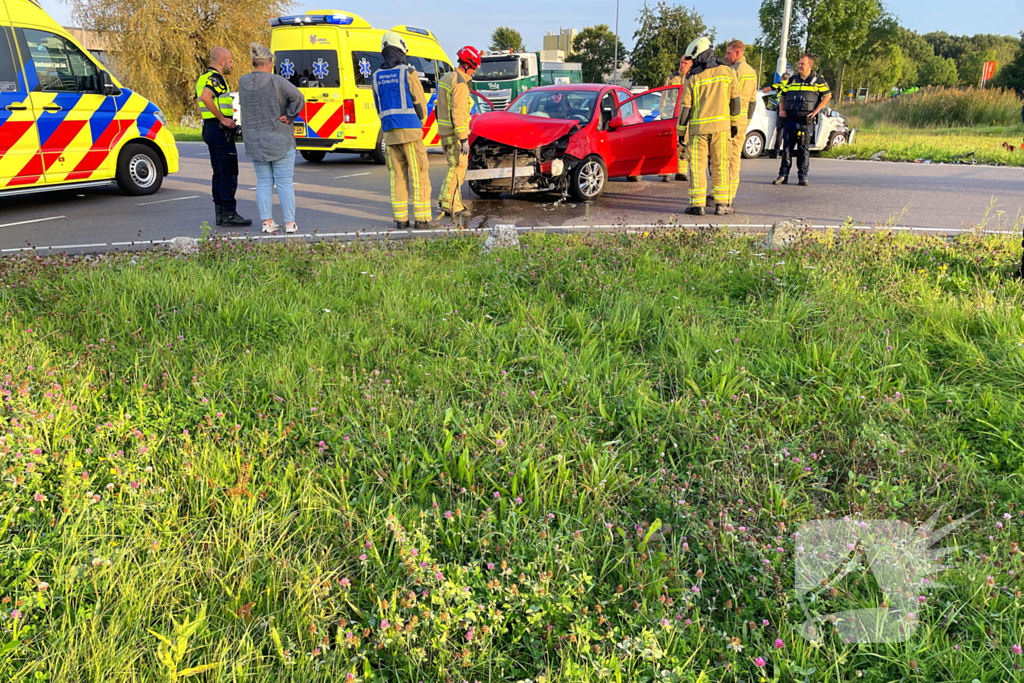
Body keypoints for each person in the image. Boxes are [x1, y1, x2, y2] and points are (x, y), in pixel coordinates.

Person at [238, 43, 305, 234]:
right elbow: (298, 97)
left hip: (255, 141)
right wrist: (290, 115)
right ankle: (290, 223)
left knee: (263, 182)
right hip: (279, 138)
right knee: (284, 182)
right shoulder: (277, 81)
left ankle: (267, 222)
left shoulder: (243, 81)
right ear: (268, 62)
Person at [371, 31, 431, 230]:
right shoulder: (407, 72)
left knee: (397, 176)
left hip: (389, 133)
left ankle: (401, 220)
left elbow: (378, 106)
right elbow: (420, 104)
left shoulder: (376, 76)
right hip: (410, 132)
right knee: (419, 175)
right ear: (401, 50)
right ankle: (421, 220)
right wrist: (419, 119)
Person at [676, 36, 741, 216]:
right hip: (721, 129)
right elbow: (736, 101)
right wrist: (734, 123)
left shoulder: (693, 77)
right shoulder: (727, 72)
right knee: (721, 165)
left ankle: (697, 205)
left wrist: (681, 132)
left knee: (696, 167)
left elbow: (685, 108)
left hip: (698, 131)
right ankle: (722, 205)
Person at [196, 47, 251, 227]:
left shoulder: (203, 77)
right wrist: (223, 119)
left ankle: (220, 214)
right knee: (228, 173)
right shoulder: (216, 79)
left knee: (218, 173)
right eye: (231, 61)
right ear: (222, 61)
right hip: (220, 131)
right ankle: (229, 213)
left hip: (210, 129)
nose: (232, 65)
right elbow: (206, 97)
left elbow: (201, 102)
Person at [437, 46, 481, 223]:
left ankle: (450, 201)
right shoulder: (460, 83)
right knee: (459, 169)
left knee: (452, 168)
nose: (475, 70)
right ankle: (450, 204)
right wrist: (463, 137)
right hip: (455, 135)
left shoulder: (446, 78)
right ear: (467, 64)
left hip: (445, 133)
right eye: (474, 67)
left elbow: (438, 108)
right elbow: (459, 112)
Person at [773, 55, 831, 187]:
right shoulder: (792, 80)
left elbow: (827, 96)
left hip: (806, 121)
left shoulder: (817, 80)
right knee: (786, 149)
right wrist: (782, 110)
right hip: (790, 120)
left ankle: (803, 176)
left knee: (803, 150)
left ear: (810, 65)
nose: (799, 66)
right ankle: (783, 175)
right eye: (799, 64)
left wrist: (816, 111)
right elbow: (782, 96)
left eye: (802, 64)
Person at [724, 40, 759, 211]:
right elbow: (753, 102)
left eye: (729, 53)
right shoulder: (752, 72)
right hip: (743, 120)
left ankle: (725, 195)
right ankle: (729, 194)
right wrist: (747, 120)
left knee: (726, 159)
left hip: (730, 119)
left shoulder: (732, 71)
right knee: (735, 157)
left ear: (738, 53)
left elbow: (728, 98)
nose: (726, 56)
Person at [661, 56, 692, 182]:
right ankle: (667, 171)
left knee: (684, 145)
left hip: (686, 116)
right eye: (681, 62)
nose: (682, 65)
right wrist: (663, 113)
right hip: (672, 115)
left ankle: (681, 171)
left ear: (691, 64)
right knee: (670, 144)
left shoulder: (692, 78)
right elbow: (664, 97)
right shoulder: (671, 78)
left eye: (685, 63)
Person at [764, 71, 791, 159]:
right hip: (790, 108)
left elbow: (766, 90)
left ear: (782, 78)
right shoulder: (791, 84)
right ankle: (786, 152)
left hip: (781, 107)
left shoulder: (780, 84)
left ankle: (776, 152)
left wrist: (775, 90)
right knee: (788, 131)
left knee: (780, 131)